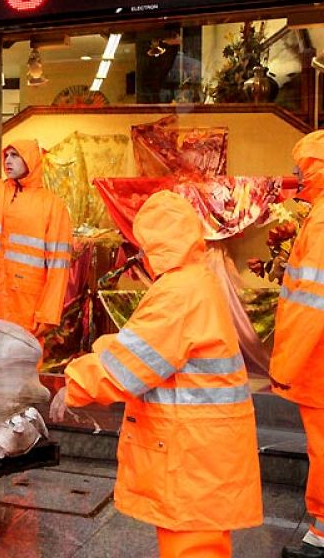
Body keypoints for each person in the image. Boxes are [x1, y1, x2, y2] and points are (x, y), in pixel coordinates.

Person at [50, 190, 262, 558]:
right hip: (203, 452)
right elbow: (140, 347)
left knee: (192, 548)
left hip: (190, 455)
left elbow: (127, 367)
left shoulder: (177, 292)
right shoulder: (195, 282)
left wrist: (71, 385)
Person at [0, 139, 72, 343]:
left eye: (15, 155)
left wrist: (49, 312)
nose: (8, 160)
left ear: (31, 160)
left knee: (22, 366)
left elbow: (59, 265)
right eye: (6, 155)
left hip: (25, 303)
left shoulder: (52, 205)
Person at [270, 131, 324, 558]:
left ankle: (322, 531)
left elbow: (311, 305)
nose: (295, 174)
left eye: (301, 166)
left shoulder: (322, 221)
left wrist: (286, 367)